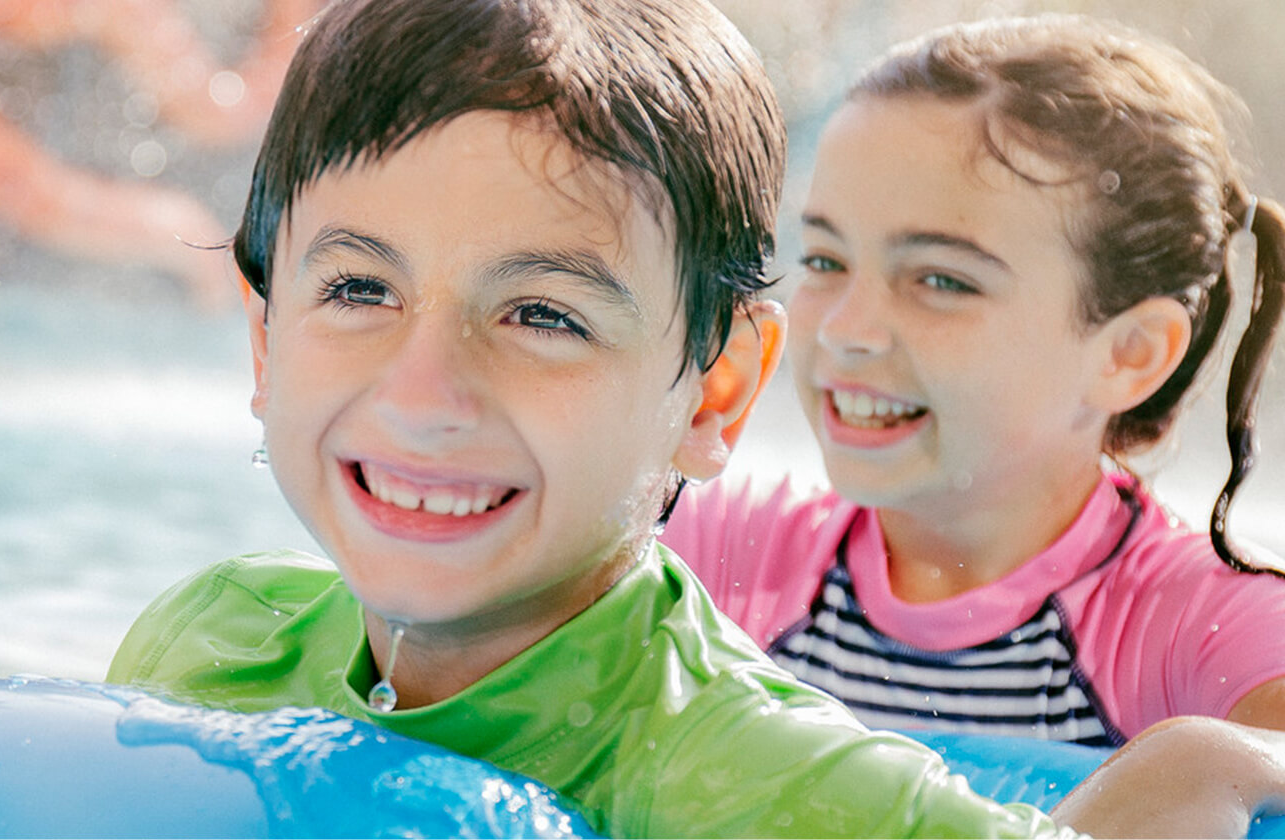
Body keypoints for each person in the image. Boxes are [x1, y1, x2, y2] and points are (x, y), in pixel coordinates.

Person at [105, 0, 1282, 837]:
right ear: (264, 342)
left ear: (715, 393)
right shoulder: (207, 641)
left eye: (543, 314)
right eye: (359, 289)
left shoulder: (772, 785)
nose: (423, 395)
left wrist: (1202, 763)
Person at [661, 15, 1285, 753]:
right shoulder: (722, 553)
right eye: (827, 260)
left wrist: (1212, 760)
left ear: (1129, 353)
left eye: (941, 279)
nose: (844, 329)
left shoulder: (1184, 625)